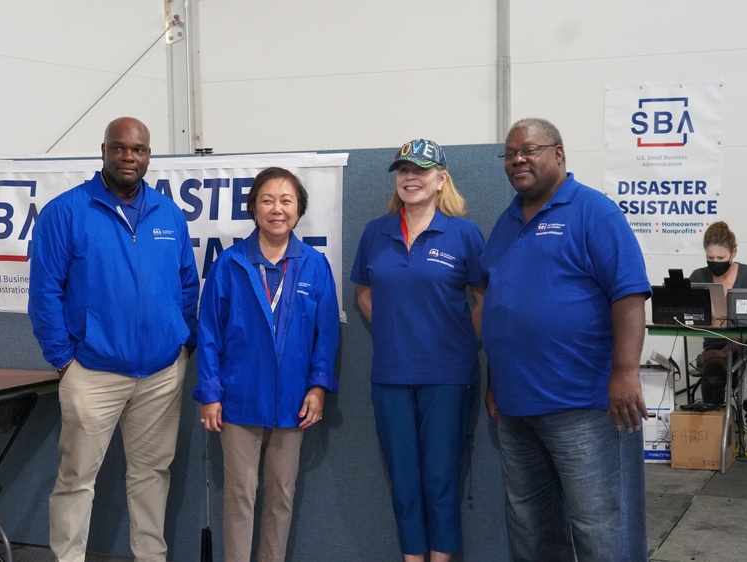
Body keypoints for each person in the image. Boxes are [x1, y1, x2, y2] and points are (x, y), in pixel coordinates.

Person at [28, 116, 199, 562]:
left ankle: (151, 557)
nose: (129, 157)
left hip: (161, 374)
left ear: (149, 155)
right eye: (119, 148)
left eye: (138, 150)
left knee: (152, 474)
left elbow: (186, 285)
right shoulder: (66, 212)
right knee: (76, 480)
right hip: (93, 373)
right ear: (103, 150)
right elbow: (44, 292)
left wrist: (180, 344)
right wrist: (65, 361)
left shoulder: (168, 213)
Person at [481, 118, 652, 562]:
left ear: (558, 153)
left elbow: (629, 294)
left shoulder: (594, 212)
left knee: (600, 527)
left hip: (584, 404)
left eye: (530, 149)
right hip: (518, 409)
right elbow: (501, 308)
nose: (518, 158)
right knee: (530, 526)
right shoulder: (505, 223)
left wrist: (626, 371)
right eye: (511, 153)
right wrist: (495, 380)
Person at [193, 166, 339, 562]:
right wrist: (210, 394)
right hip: (239, 399)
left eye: (286, 201)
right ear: (254, 208)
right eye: (268, 200)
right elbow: (208, 333)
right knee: (240, 496)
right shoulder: (230, 264)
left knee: (281, 496)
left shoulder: (314, 265)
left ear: (299, 210)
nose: (277, 209)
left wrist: (318, 387)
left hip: (294, 401)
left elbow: (326, 335)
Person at [350, 139, 485, 562]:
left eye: (422, 170)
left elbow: (483, 300)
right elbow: (364, 294)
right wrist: (396, 330)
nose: (411, 177)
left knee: (441, 479)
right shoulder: (376, 231)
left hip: (447, 376)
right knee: (404, 482)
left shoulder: (464, 233)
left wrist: (458, 339)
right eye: (404, 170)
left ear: (441, 178)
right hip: (390, 375)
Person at [689, 221, 747, 426]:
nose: (715, 262)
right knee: (714, 374)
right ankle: (714, 431)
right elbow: (690, 319)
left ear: (734, 252)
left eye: (721, 258)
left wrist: (727, 350)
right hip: (713, 350)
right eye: (710, 258)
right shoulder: (698, 277)